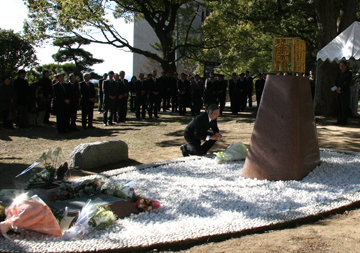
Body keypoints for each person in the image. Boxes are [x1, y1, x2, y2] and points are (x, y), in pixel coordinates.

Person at [335, 60, 352, 126]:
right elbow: (336, 81)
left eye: (342, 65)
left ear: (345, 66)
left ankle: (343, 120)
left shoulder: (349, 73)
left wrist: (341, 88)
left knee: (344, 107)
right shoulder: (338, 74)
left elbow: (347, 83)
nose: (341, 67)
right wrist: (336, 88)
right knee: (338, 106)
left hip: (345, 92)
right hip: (338, 92)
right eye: (340, 66)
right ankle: (338, 120)